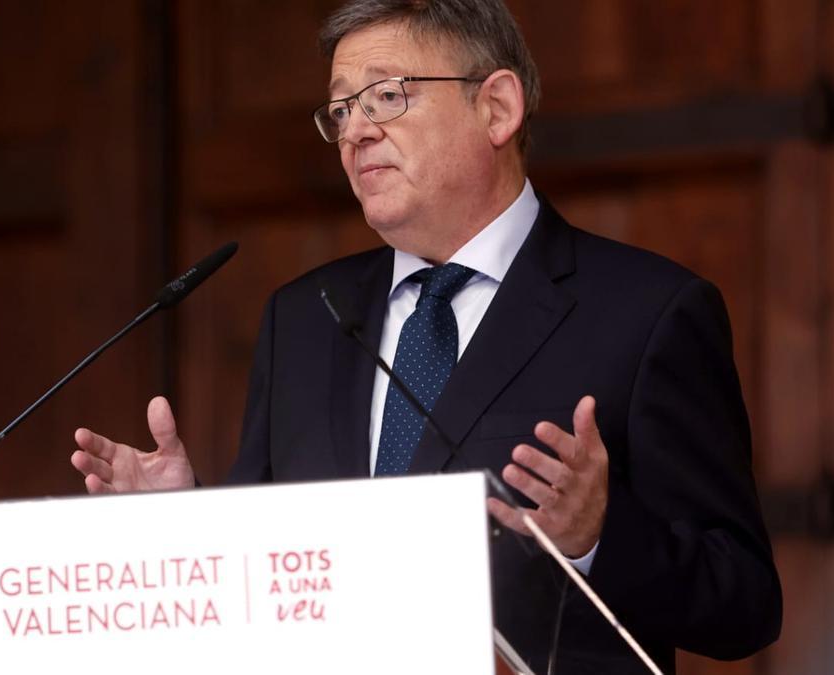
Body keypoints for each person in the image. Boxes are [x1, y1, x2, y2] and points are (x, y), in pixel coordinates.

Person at [70, 1, 782, 671]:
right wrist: (180, 523)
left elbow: (745, 603)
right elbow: (273, 571)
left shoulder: (647, 312)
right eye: (341, 108)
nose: (355, 131)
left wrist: (599, 536)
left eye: (387, 95)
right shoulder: (305, 317)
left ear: (496, 107)